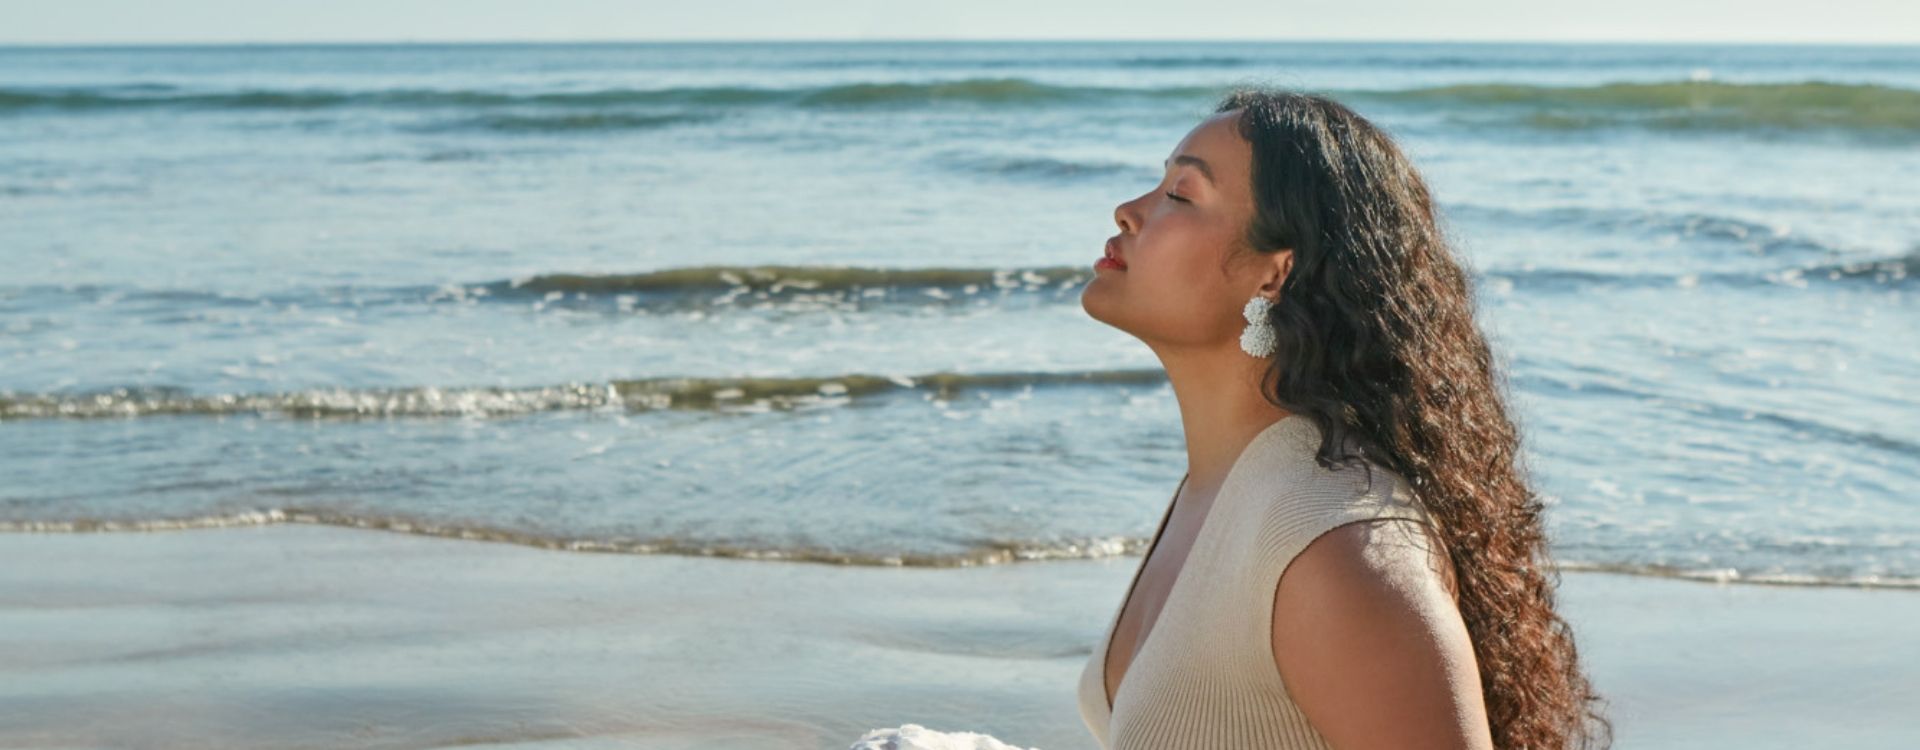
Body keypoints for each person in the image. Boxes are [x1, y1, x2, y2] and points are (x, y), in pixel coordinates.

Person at [1075, 88, 1612, 749]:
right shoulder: (1227, 487)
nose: (1128, 212)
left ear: (1275, 274)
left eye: (1180, 196)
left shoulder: (1338, 542)